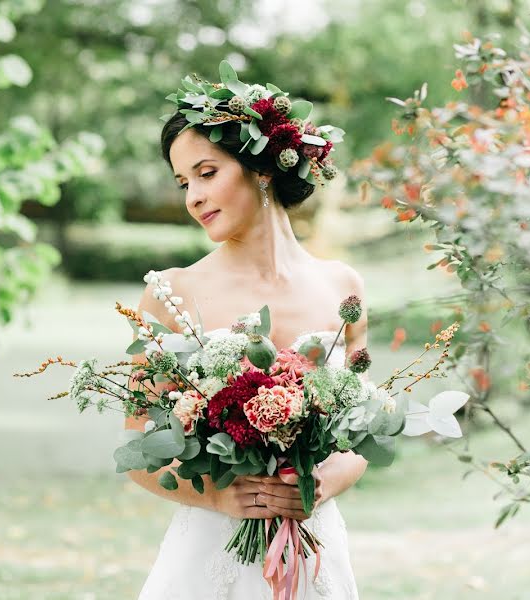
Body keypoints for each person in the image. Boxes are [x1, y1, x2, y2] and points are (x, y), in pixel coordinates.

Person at [126, 66, 368, 600]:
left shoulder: (342, 287)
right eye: (183, 181)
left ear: (260, 169)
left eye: (206, 173)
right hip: (209, 555)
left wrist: (321, 483)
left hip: (314, 549)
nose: (192, 197)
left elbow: (364, 433)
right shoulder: (172, 293)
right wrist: (216, 498)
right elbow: (137, 445)